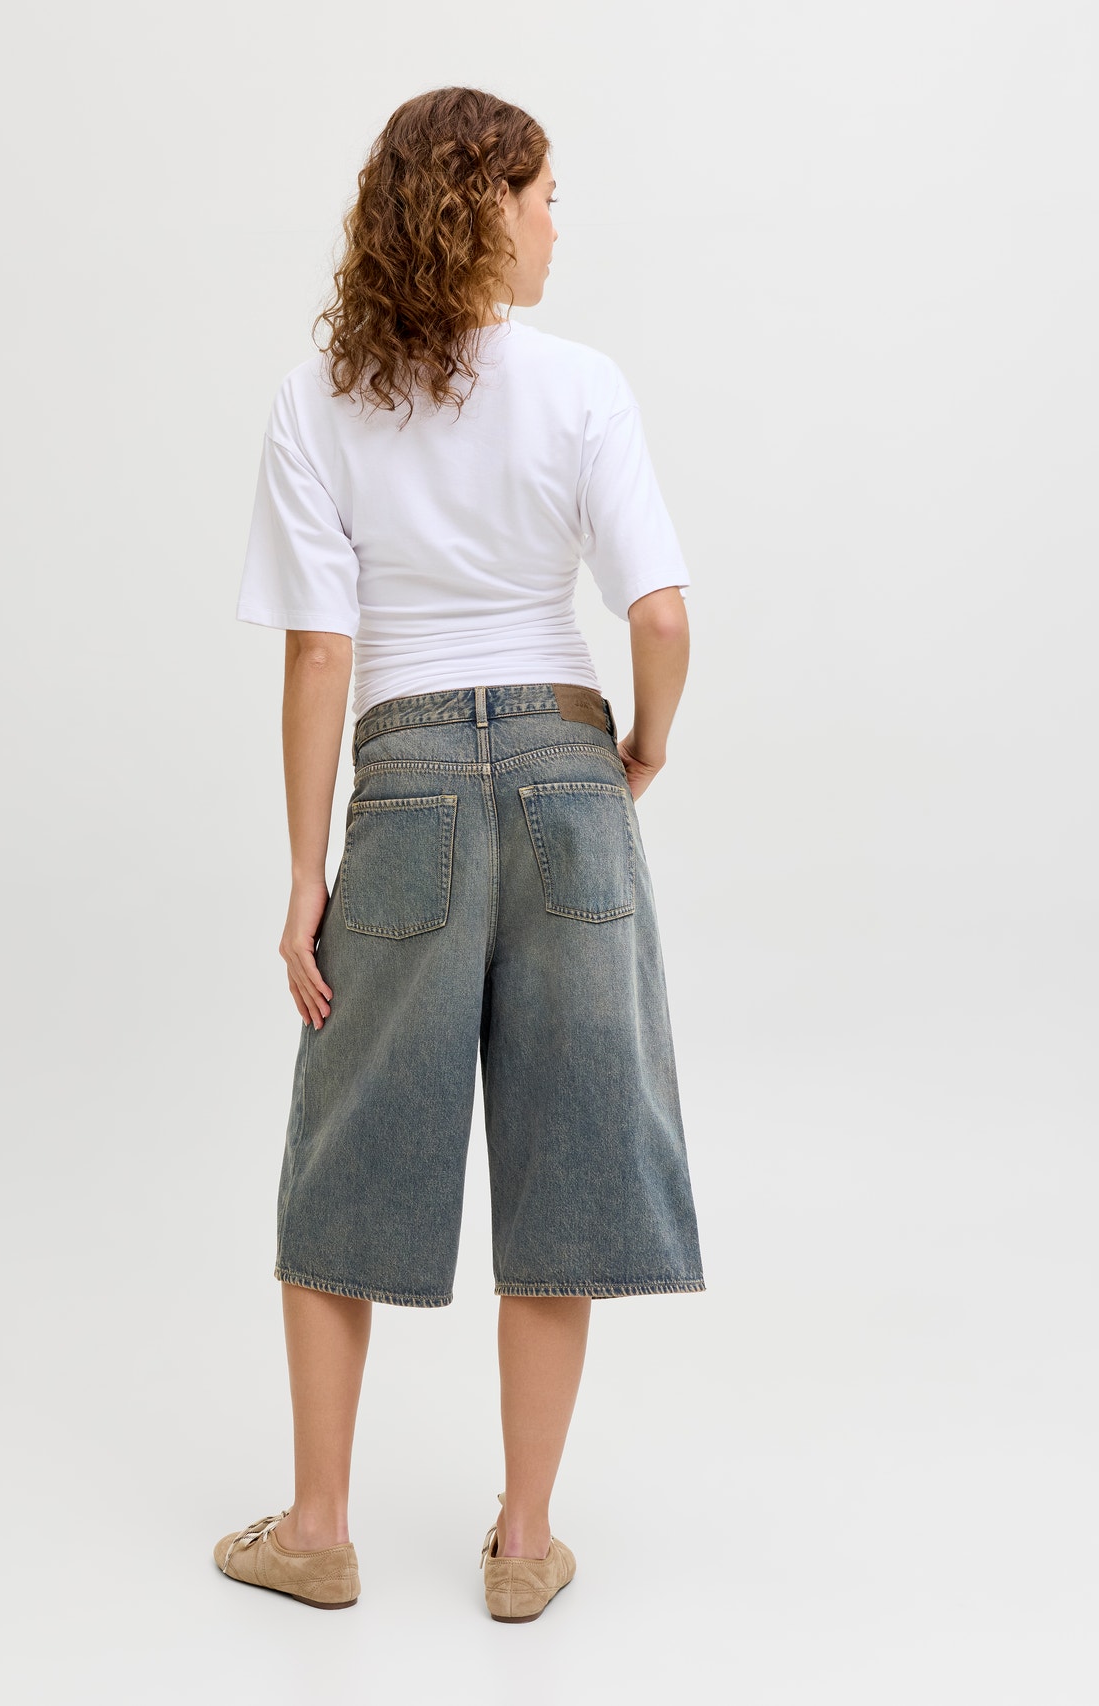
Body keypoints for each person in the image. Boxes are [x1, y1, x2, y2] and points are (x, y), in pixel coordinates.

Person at [212, 85, 706, 1623]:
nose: (560, 223)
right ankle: (524, 1542)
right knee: (566, 1159)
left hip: (408, 783)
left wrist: (307, 874)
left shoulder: (320, 399)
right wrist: (643, 746)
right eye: (546, 195)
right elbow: (661, 616)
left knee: (346, 1155)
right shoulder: (582, 386)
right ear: (483, 206)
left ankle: (317, 1529)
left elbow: (318, 654)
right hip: (569, 776)